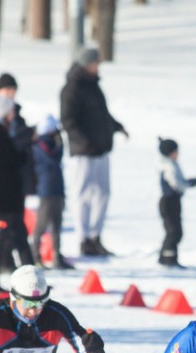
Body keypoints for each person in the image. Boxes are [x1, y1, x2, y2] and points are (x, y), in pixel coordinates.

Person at [59, 47, 128, 259]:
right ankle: (83, 239)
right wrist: (84, 142)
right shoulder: (72, 88)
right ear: (86, 64)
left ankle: (95, 237)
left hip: (101, 148)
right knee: (83, 194)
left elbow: (102, 115)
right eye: (96, 63)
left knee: (103, 193)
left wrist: (116, 126)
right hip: (85, 151)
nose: (98, 67)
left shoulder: (94, 87)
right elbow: (68, 121)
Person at [0, 93, 35, 293]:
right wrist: (22, 152)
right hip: (4, 199)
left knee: (18, 237)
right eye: (10, 109)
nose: (13, 113)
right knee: (3, 238)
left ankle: (32, 280)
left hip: (4, 198)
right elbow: (7, 164)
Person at [32, 115, 73, 270]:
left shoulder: (49, 143)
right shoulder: (40, 144)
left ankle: (57, 256)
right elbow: (53, 158)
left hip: (56, 189)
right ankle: (35, 256)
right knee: (41, 226)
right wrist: (59, 142)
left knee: (56, 225)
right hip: (47, 190)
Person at [156, 137, 196, 269]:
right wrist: (191, 183)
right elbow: (177, 184)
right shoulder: (169, 166)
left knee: (173, 231)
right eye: (176, 151)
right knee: (174, 231)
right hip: (169, 202)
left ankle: (166, 257)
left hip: (172, 201)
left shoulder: (169, 164)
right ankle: (168, 259)